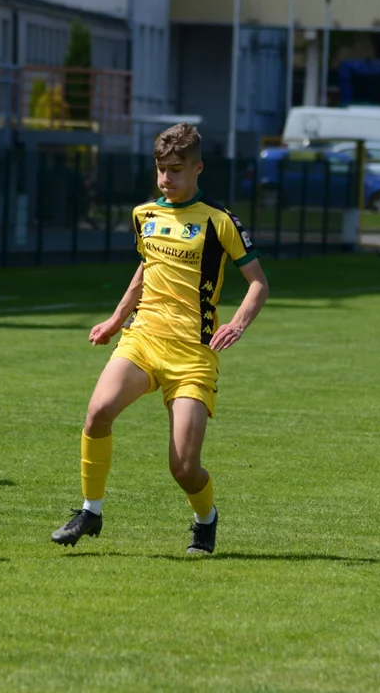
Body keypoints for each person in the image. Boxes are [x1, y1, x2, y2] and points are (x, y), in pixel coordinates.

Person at [50, 122, 269, 554]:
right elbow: (145, 271)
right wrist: (116, 319)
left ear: (198, 168)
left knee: (184, 468)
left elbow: (258, 283)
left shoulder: (219, 221)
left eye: (177, 170)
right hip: (144, 339)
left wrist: (238, 323)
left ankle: (205, 520)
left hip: (192, 354)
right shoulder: (144, 215)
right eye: (161, 169)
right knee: (97, 412)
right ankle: (90, 511)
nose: (167, 179)